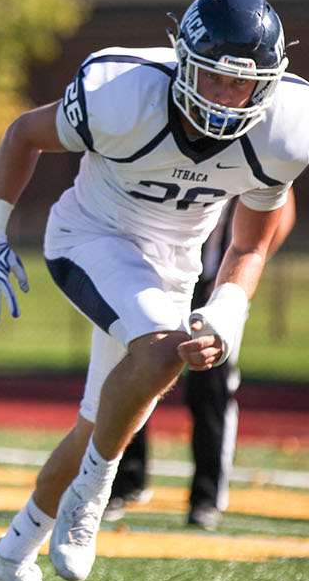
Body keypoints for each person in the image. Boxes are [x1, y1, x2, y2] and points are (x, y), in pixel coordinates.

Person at [0, 0, 309, 581]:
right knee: (165, 353)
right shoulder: (121, 94)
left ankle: (13, 552)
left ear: (268, 85)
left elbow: (249, 247)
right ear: (182, 62)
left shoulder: (284, 133)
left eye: (240, 85)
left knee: (100, 419)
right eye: (212, 78)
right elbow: (24, 133)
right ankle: (94, 496)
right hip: (90, 237)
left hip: (174, 270)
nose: (224, 97)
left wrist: (226, 312)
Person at [104, 194, 297, 530]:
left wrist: (235, 282)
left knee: (211, 387)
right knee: (135, 372)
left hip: (215, 285)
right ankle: (125, 481)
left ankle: (206, 497)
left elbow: (280, 212)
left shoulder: (243, 150)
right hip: (155, 278)